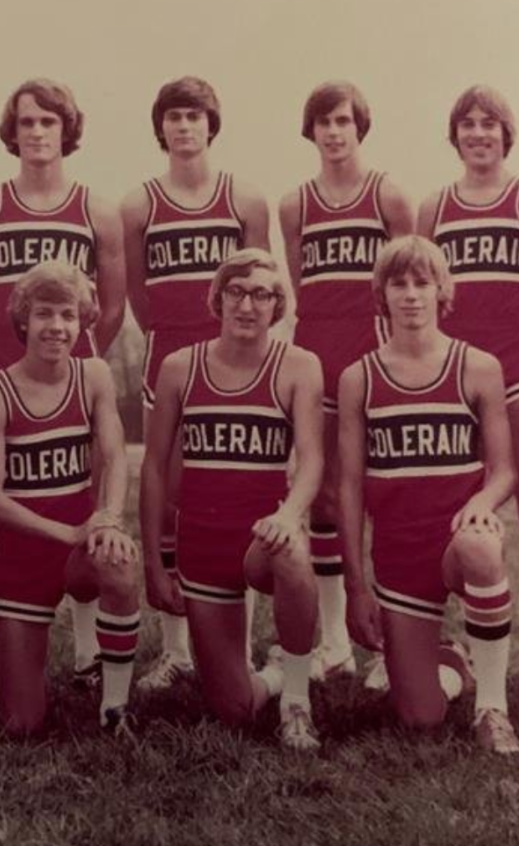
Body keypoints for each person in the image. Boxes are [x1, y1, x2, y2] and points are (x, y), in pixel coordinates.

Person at [0, 79, 126, 691]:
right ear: (12, 132)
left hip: (70, 371)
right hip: (10, 368)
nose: (36, 133)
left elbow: (110, 308)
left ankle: (88, 655)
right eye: (26, 123)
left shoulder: (95, 210)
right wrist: (8, 360)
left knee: (78, 492)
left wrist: (76, 364)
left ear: (67, 131)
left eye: (49, 123)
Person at [337, 236, 519, 754]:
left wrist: (481, 505)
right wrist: (356, 586)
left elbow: (505, 471)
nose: (412, 295)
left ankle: (492, 707)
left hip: (456, 539)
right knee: (419, 718)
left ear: (443, 290)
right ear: (382, 294)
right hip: (399, 554)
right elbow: (349, 487)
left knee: (481, 548)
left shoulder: (477, 366)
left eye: (423, 282)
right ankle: (453, 661)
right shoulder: (360, 378)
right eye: (399, 283)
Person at [419, 86, 519, 686]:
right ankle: (453, 631)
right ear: (454, 134)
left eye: (490, 123)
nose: (479, 133)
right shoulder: (434, 208)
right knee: (453, 500)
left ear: (507, 133)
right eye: (467, 123)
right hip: (455, 376)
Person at [141, 248, 325, 750]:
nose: (247, 305)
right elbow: (155, 467)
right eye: (237, 292)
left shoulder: (300, 365)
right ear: (218, 299)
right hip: (203, 544)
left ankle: (296, 702)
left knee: (292, 554)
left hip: (261, 536)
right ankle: (274, 673)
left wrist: (289, 514)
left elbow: (311, 460)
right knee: (235, 710)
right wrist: (156, 566)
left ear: (277, 305)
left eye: (261, 294)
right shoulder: (180, 366)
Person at [120, 76, 270, 694]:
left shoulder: (245, 198)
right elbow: (137, 295)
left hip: (235, 365)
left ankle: (239, 641)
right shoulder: (139, 204)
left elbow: (261, 287)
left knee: (238, 492)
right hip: (169, 361)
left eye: (195, 116)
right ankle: (176, 648)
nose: (185, 127)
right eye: (174, 117)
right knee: (172, 496)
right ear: (161, 128)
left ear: (212, 124)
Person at [280, 81, 413, 684]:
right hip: (318, 349)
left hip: (377, 350)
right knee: (329, 495)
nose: (333, 132)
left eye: (343, 121)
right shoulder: (295, 205)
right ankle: (334, 639)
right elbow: (299, 285)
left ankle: (392, 639)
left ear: (361, 127)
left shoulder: (388, 193)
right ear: (309, 132)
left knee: (384, 493)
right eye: (322, 123)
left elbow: (413, 280)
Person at [0, 261, 140, 737]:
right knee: (22, 725)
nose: (57, 327)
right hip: (24, 560)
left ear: (82, 320)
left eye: (68, 315)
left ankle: (114, 707)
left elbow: (115, 455)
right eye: (45, 314)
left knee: (120, 563)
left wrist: (108, 517)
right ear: (23, 319)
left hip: (80, 550)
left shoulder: (94, 375)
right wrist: (68, 531)